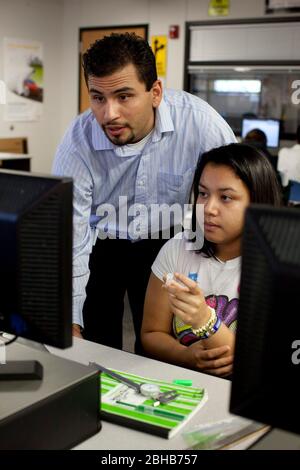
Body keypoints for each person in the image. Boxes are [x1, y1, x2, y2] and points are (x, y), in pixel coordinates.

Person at [52, 33, 236, 353]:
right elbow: (71, 237)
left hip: (169, 239)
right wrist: (70, 324)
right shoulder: (78, 142)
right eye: (98, 97)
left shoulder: (202, 125)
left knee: (157, 340)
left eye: (124, 96)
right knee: (93, 336)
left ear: (155, 92)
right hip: (102, 241)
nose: (109, 114)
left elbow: (232, 197)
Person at [141, 143, 282, 376]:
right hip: (183, 386)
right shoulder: (177, 249)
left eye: (226, 197)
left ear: (258, 203)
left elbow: (258, 362)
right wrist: (186, 356)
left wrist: (205, 320)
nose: (208, 208)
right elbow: (151, 334)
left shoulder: (277, 268)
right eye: (203, 193)